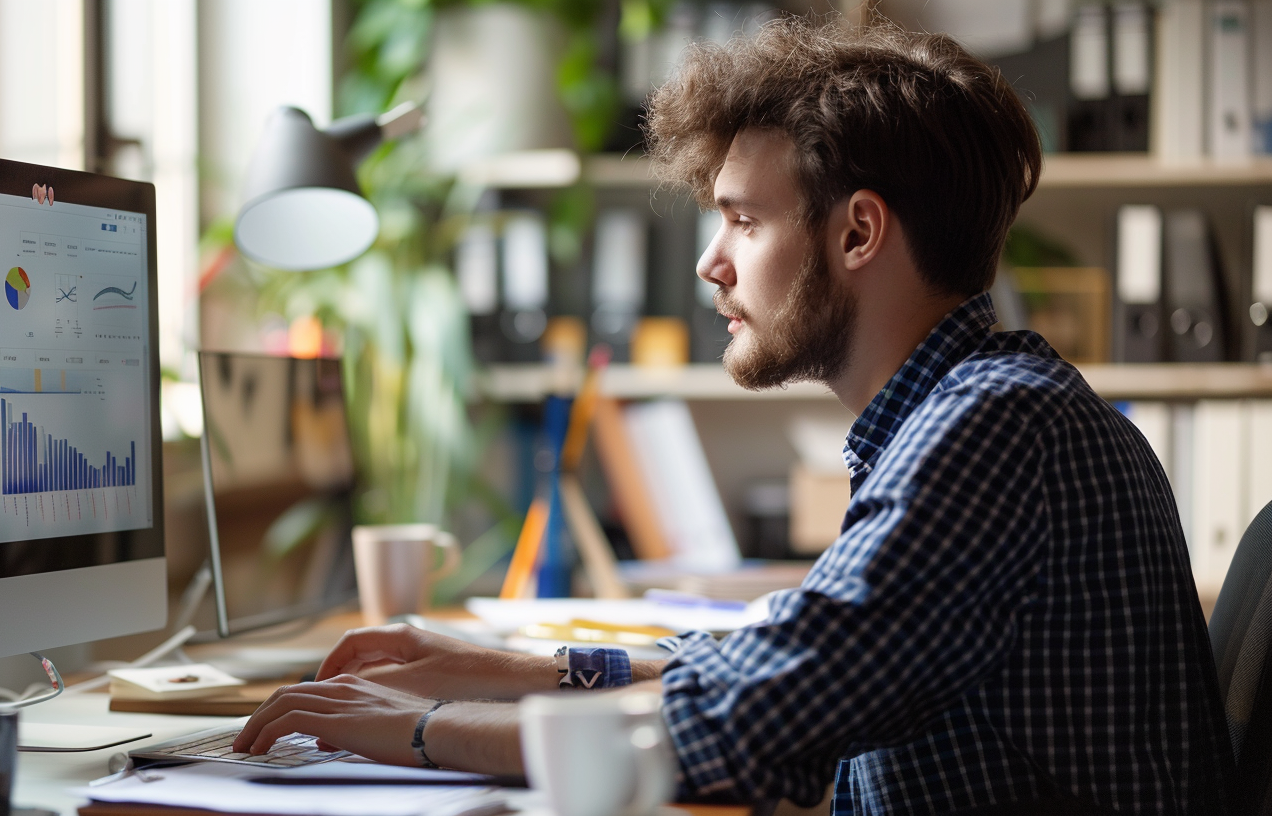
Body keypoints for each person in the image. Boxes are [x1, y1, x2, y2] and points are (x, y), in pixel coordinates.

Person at [234, 18, 1233, 815]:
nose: (712, 263)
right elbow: (780, 658)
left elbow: (744, 724)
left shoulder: (991, 432)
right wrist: (500, 667)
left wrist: (417, 723)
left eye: (744, 221)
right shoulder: (975, 409)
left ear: (857, 232)